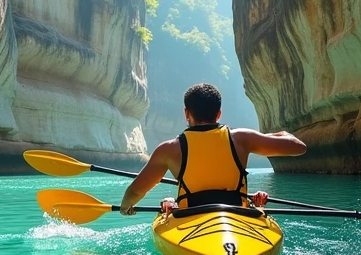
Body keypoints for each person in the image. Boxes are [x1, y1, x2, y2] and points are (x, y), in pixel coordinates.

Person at [120, 83, 307, 216]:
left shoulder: (168, 150)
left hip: (190, 218)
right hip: (237, 217)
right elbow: (299, 148)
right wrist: (281, 133)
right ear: (218, 114)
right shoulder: (242, 138)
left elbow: (136, 192)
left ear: (187, 113)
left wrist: (125, 207)